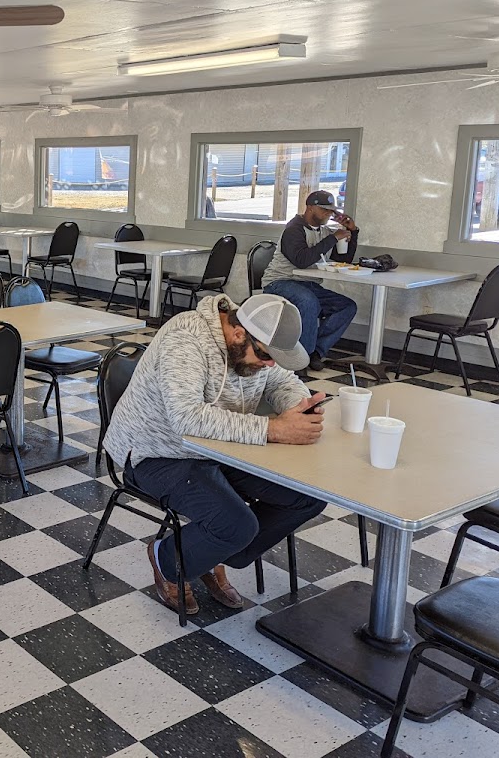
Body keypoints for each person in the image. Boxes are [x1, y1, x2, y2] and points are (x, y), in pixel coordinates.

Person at [103, 293, 327, 615]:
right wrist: (275, 429)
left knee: (309, 495)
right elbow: (187, 418)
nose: (269, 365)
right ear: (239, 334)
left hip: (221, 449)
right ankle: (166, 556)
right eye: (265, 356)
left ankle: (215, 555)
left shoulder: (256, 344)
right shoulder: (186, 338)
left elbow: (281, 381)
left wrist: (298, 407)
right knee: (236, 524)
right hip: (155, 452)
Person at [261, 189, 359, 372]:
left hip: (307, 284)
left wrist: (352, 232)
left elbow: (342, 260)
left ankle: (315, 352)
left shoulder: (324, 231)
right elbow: (302, 260)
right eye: (324, 210)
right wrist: (332, 238)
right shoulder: (293, 229)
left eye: (331, 211)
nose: (328, 214)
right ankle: (300, 362)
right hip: (279, 282)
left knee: (347, 306)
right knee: (308, 302)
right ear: (310, 208)